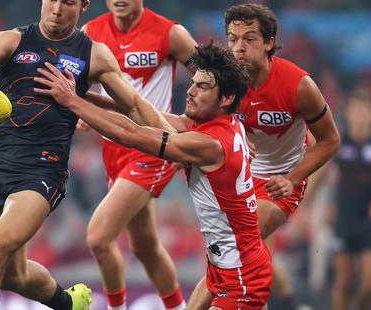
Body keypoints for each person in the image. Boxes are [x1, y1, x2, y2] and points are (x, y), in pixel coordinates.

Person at [0, 0, 173, 310]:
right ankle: (70, 303)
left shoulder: (94, 54)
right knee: (11, 274)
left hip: (44, 171)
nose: (57, 9)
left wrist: (174, 143)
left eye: (68, 2)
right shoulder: (9, 41)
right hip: (0, 167)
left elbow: (134, 105)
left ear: (83, 6)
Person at [35, 41, 273, 310]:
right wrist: (83, 94)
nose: (191, 92)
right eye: (193, 83)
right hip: (226, 263)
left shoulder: (209, 144)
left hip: (241, 272)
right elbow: (139, 111)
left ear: (227, 98)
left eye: (203, 87)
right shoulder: (218, 124)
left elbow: (131, 134)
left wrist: (72, 101)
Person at [188, 3, 341, 310]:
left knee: (231, 249)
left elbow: (330, 141)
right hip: (238, 179)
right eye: (232, 39)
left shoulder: (299, 85)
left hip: (279, 184)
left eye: (249, 38)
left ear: (269, 42)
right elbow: (197, 122)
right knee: (241, 260)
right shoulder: (226, 83)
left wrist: (292, 178)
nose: (238, 47)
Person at [81, 0, 197, 310]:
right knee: (144, 246)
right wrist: (82, 109)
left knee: (98, 237)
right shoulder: (90, 33)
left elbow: (213, 80)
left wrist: (195, 127)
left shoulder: (170, 34)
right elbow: (77, 85)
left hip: (154, 145)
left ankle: (116, 307)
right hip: (113, 147)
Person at [323, 90, 371, 310]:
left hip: (369, 219)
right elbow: (321, 176)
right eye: (356, 109)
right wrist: (309, 207)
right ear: (348, 113)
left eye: (365, 110)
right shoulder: (337, 140)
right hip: (343, 217)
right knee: (344, 281)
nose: (361, 115)